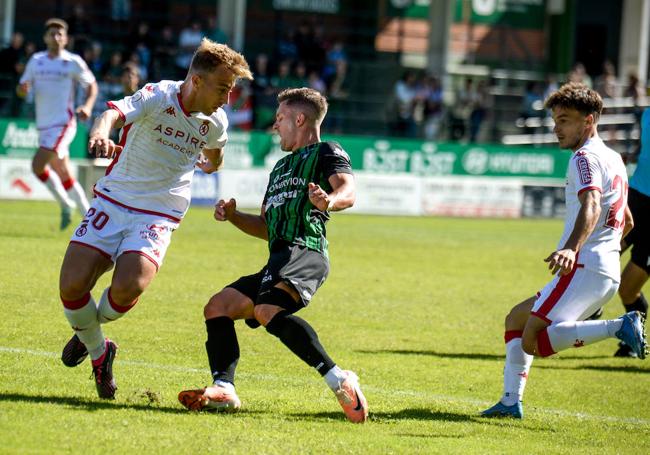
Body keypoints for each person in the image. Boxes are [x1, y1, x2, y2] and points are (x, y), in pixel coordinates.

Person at [57, 38, 252, 399]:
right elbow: (112, 114)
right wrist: (101, 132)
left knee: (128, 286)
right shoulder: (158, 96)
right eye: (223, 88)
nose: (227, 98)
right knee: (71, 285)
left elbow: (216, 152)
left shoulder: (216, 121)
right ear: (196, 81)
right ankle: (101, 352)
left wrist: (212, 165)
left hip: (159, 212)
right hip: (114, 200)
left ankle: (87, 333)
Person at [177, 87, 369, 423]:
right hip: (279, 256)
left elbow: (348, 191)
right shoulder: (279, 168)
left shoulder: (326, 151)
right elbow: (267, 226)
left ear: (299, 119)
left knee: (267, 309)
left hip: (305, 250)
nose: (274, 125)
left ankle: (339, 379)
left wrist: (330, 201)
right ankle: (224, 388)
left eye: (280, 118)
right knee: (218, 306)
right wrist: (235, 217)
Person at [481, 82, 646, 420]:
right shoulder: (613, 158)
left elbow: (593, 205)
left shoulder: (584, 158)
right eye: (556, 120)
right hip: (603, 268)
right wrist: (608, 248)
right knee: (516, 319)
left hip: (583, 267)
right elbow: (627, 219)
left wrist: (572, 249)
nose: (557, 129)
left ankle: (619, 326)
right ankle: (510, 402)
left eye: (565, 120)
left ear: (589, 121)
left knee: (533, 342)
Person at [17, 18, 98, 229]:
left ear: (65, 38)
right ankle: (87, 217)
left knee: (37, 165)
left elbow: (92, 85)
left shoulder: (72, 62)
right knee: (63, 172)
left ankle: (66, 204)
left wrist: (87, 106)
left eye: (59, 34)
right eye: (52, 33)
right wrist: (22, 90)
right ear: (45, 37)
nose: (56, 37)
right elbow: (21, 88)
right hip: (43, 125)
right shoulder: (36, 61)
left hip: (63, 124)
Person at [613, 106, 650, 357]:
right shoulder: (647, 113)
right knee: (601, 252)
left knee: (627, 289)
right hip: (635, 199)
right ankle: (590, 306)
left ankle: (634, 338)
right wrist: (632, 155)